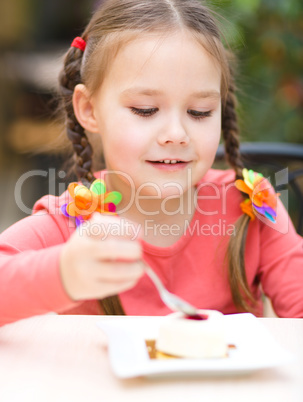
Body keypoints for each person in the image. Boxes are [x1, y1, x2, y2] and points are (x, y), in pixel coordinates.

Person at [0, 0, 302, 326]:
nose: (176, 134)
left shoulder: (251, 207)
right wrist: (63, 272)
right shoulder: (69, 225)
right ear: (88, 109)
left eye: (199, 112)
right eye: (145, 110)